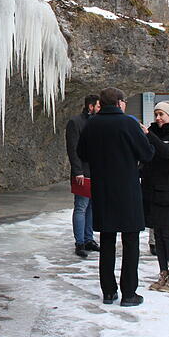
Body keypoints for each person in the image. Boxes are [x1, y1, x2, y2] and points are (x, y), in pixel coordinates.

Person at [77, 87, 155, 307]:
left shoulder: (92, 124)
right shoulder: (128, 123)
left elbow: (82, 153)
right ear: (119, 102)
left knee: (108, 241)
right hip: (127, 189)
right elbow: (147, 153)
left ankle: (109, 291)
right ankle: (129, 292)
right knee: (130, 242)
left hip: (103, 189)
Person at [141, 101, 169, 292]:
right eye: (156, 114)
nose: (158, 118)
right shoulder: (153, 133)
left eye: (162, 114)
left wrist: (149, 135)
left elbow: (168, 152)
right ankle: (162, 273)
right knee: (158, 235)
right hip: (152, 189)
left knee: (168, 235)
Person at [66, 94, 101, 258]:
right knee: (81, 206)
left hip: (95, 171)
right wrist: (78, 171)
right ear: (90, 106)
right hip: (82, 172)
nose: (100, 109)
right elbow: (73, 149)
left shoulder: (97, 122)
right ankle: (79, 242)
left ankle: (89, 238)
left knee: (92, 206)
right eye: (98, 106)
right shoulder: (76, 122)